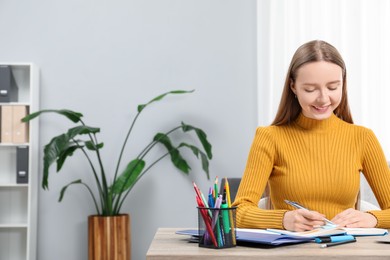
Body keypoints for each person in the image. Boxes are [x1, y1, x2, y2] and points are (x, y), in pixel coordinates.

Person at [232, 40, 390, 231]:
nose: (323, 98)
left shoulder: (362, 138)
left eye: (332, 87)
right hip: (289, 252)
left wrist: (371, 219)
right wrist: (284, 220)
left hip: (345, 251)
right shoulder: (269, 137)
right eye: (310, 89)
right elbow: (238, 211)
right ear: (293, 86)